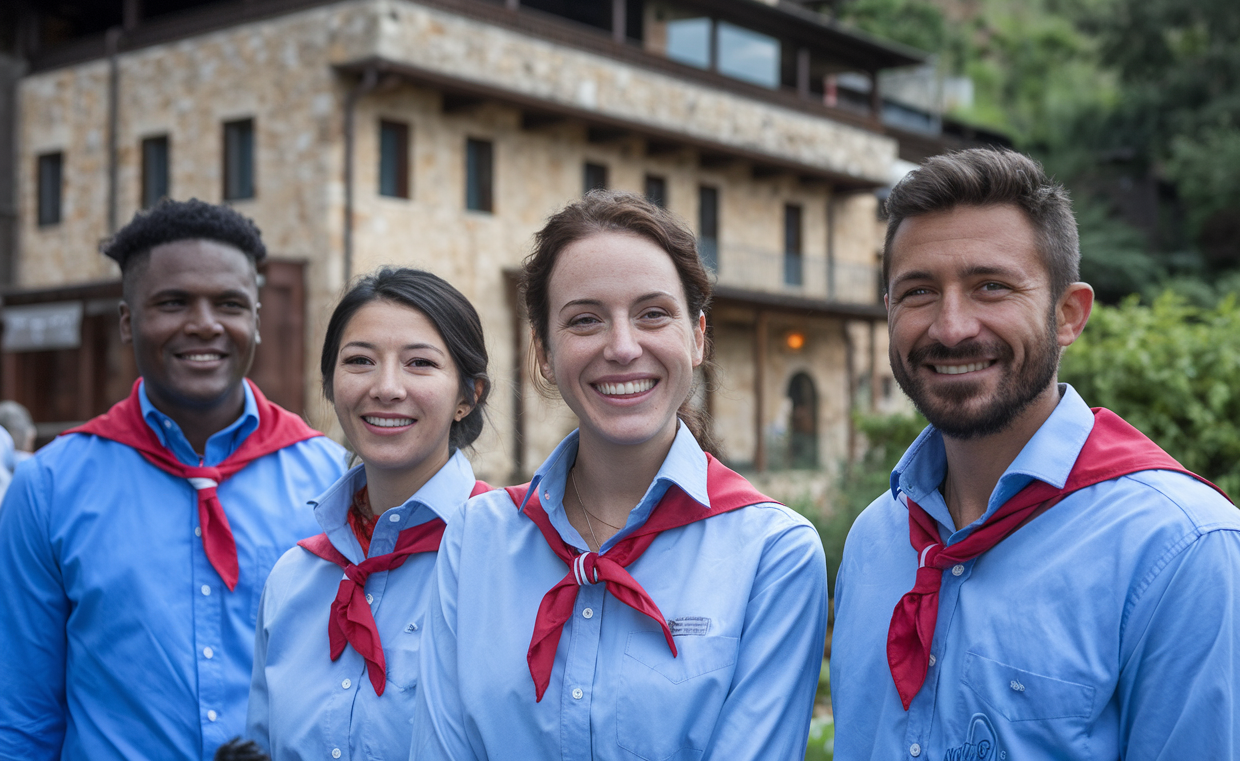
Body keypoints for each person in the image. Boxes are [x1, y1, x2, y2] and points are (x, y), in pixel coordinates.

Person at [828, 149, 1240, 760]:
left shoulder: (1185, 551)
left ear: (1068, 314)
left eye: (991, 287)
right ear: (889, 312)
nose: (951, 328)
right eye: (919, 292)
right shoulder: (874, 540)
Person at [411, 191, 828, 761]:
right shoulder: (473, 540)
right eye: (585, 320)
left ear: (697, 336)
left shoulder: (773, 554)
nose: (623, 347)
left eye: (653, 313)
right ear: (544, 351)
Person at [0, 199, 346, 761]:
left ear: (257, 320)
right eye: (173, 302)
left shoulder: (333, 480)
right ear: (127, 321)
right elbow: (22, 718)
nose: (205, 324)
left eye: (230, 304)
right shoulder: (47, 489)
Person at [246, 268, 491, 761]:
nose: (387, 387)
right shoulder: (294, 580)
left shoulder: (507, 561)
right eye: (360, 361)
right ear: (328, 384)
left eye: (420, 363)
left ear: (468, 396)